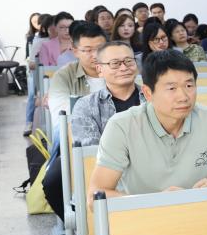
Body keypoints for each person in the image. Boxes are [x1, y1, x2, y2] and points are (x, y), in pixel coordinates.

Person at [87, 50, 207, 201]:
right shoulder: (122, 126)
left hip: (199, 213)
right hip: (143, 217)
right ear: (148, 93)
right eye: (172, 88)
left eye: (189, 85)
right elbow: (96, 196)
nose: (183, 97)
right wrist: (157, 202)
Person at [43, 41, 143, 220]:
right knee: (53, 180)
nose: (124, 68)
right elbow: (91, 152)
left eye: (129, 61)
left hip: (149, 170)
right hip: (108, 172)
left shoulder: (152, 97)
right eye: (115, 63)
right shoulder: (87, 105)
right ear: (100, 69)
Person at [48, 23, 107, 124]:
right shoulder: (63, 76)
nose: (95, 55)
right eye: (88, 50)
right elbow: (62, 117)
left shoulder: (121, 70)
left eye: (100, 48)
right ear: (75, 51)